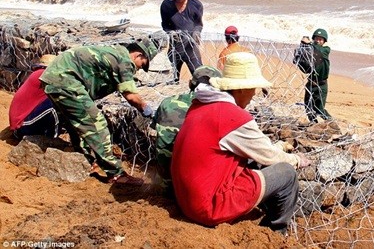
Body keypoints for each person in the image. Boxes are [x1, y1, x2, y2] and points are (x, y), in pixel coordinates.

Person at [171, 52, 311, 234]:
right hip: (208, 207)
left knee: (252, 163)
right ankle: (276, 232)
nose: (254, 94)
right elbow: (269, 155)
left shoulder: (200, 104)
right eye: (253, 88)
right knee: (286, 173)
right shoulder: (233, 117)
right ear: (242, 89)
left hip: (185, 200)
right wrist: (297, 159)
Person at [39, 38, 159, 186]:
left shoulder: (114, 52)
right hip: (66, 81)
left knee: (75, 124)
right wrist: (147, 110)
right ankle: (116, 174)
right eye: (142, 65)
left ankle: (85, 161)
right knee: (96, 124)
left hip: (54, 78)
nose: (139, 69)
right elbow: (131, 95)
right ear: (138, 55)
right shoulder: (125, 61)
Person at [152, 65, 222, 194]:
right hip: (192, 187)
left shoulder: (167, 103)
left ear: (190, 83)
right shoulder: (215, 110)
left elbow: (156, 128)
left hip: (164, 182)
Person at [160, 0, 203, 82]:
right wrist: (170, 32)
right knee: (172, 79)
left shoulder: (196, 5)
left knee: (200, 77)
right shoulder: (166, 6)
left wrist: (197, 32)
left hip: (190, 47)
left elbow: (199, 24)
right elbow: (165, 25)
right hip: (175, 48)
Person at [9, 54, 61, 139]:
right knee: (55, 104)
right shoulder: (44, 75)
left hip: (21, 125)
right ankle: (53, 140)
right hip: (22, 128)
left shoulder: (37, 74)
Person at [293, 28, 332, 124]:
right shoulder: (310, 53)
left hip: (321, 85)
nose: (318, 41)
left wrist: (310, 44)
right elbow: (305, 69)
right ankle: (313, 124)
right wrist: (299, 56)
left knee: (319, 108)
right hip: (310, 84)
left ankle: (331, 122)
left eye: (320, 39)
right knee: (308, 106)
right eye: (316, 39)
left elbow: (318, 51)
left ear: (324, 41)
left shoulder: (325, 50)